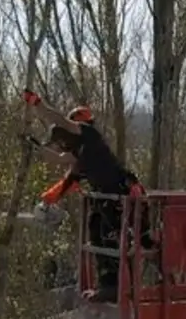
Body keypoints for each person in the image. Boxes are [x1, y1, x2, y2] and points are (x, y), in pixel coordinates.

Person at [21, 88, 146, 303]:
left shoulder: (89, 134)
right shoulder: (81, 153)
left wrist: (37, 103)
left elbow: (57, 118)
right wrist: (34, 148)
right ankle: (108, 284)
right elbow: (60, 160)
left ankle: (120, 286)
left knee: (112, 237)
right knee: (96, 231)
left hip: (118, 193)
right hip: (105, 198)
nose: (63, 144)